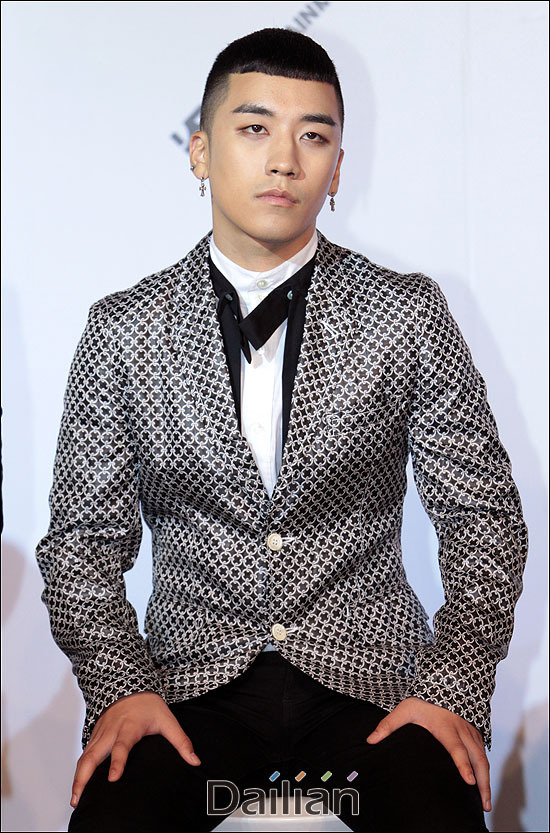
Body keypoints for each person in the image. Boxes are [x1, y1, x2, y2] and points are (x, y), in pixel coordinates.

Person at [35, 27, 528, 833]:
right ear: (200, 152)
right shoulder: (122, 329)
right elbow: (81, 546)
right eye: (255, 128)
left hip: (371, 687)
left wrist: (449, 687)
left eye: (314, 136)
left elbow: (485, 521)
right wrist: (121, 686)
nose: (285, 160)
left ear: (338, 165)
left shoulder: (406, 313)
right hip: (189, 689)